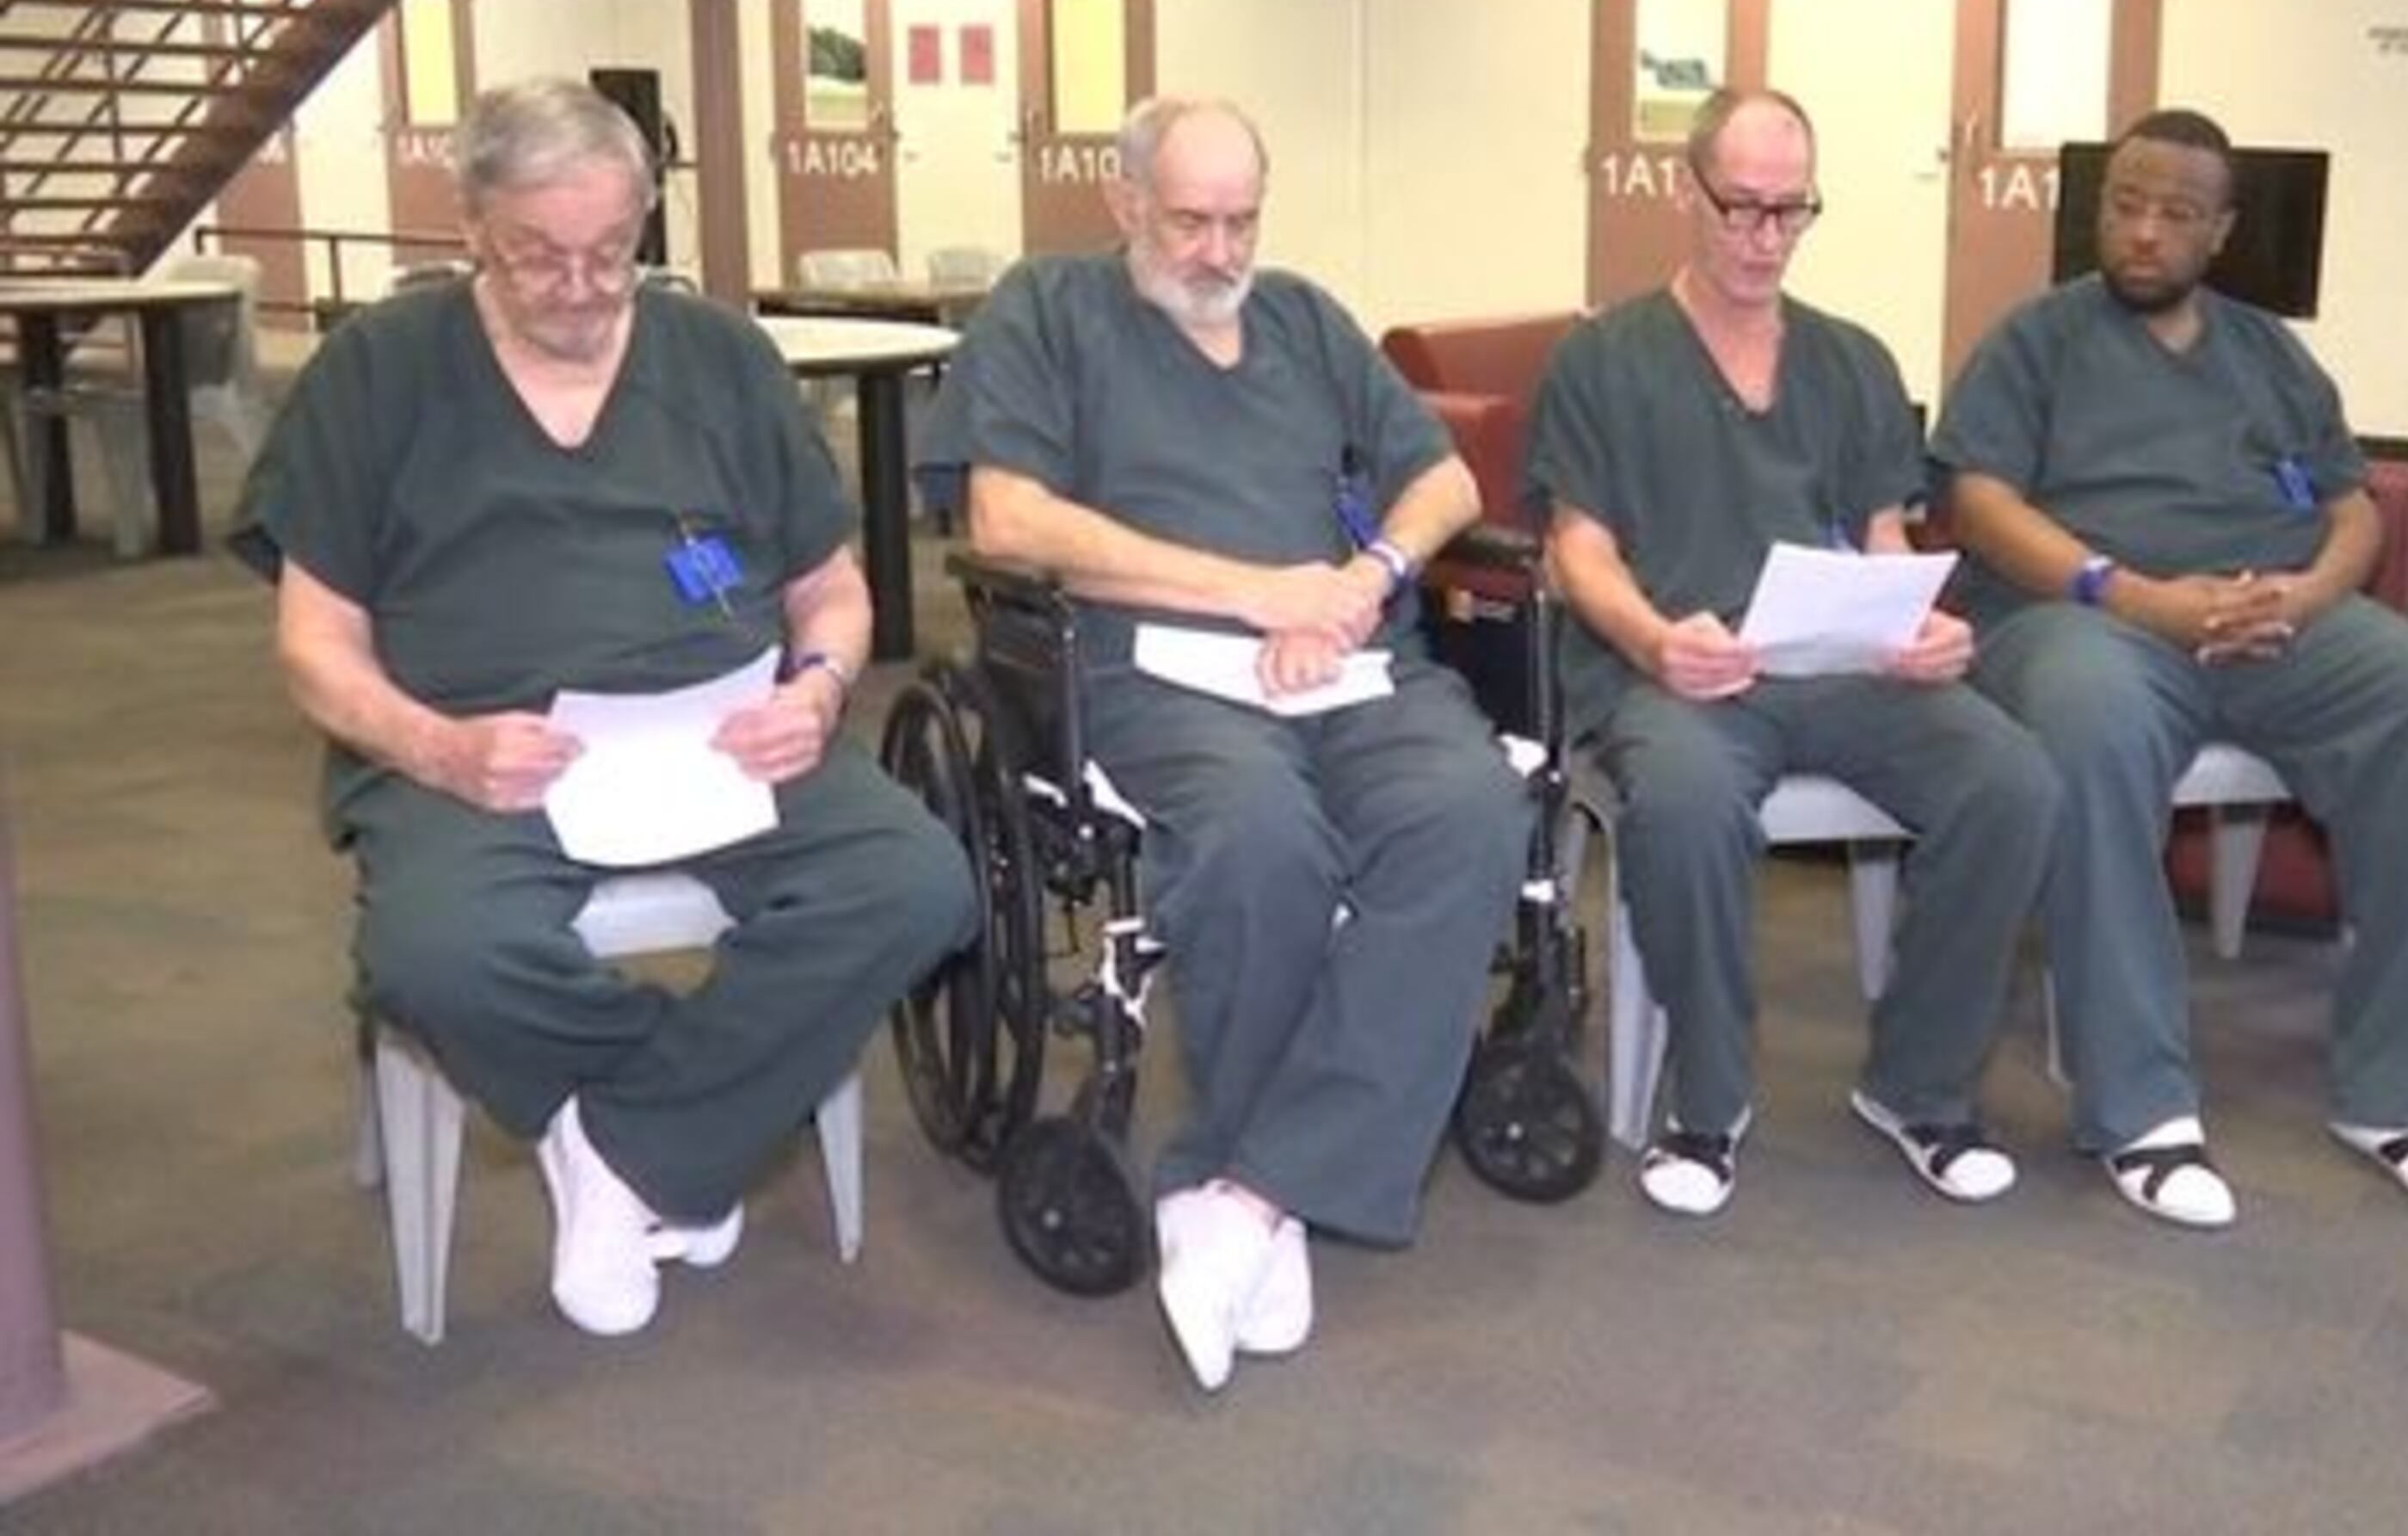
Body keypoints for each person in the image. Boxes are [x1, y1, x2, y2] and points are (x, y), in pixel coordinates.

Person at [232, 77, 974, 1339]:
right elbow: (314, 648)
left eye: (612, 255)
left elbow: (832, 590)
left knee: (918, 885)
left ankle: (618, 1150)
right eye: (538, 258)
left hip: (722, 734)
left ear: (645, 223)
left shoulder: (722, 360)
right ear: (472, 223)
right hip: (481, 749)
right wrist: (437, 746)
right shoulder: (380, 372)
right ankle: (673, 1128)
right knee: (436, 957)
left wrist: (820, 685)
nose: (578, 288)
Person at [944, 96, 1524, 1393]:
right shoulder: (1047, 312)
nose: (1219, 251)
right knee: (1265, 842)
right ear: (1125, 202)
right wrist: (1248, 590)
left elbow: (1451, 484)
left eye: (1242, 220)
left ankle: (1250, 1193)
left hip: (1342, 654)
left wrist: (1368, 575)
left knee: (1471, 812)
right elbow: (1008, 515)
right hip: (1156, 665)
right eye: (1191, 221)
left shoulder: (1308, 319)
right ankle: (1283, 1189)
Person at [1933, 107, 2408, 1226]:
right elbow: (1980, 502)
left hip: (2267, 615)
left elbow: (2352, 510)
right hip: (2087, 614)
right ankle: (2140, 1108)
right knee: (2087, 720)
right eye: (2128, 206)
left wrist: (2308, 593)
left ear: (2222, 231)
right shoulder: (2035, 341)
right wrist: (2135, 594)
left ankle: (2403, 1096)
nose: (2146, 233)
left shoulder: (2267, 354)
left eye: (2177, 214)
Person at [1530, 87, 2059, 1219]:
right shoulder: (1608, 360)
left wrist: (1914, 623)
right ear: (1689, 192)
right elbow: (1579, 550)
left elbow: (1882, 534)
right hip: (1674, 672)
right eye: (1743, 209)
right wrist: (1655, 639)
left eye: (1792, 210)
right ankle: (1708, 1105)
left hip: (1835, 666)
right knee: (1684, 800)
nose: (1767, 237)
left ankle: (1920, 1088)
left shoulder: (1851, 362)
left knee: (2011, 779)